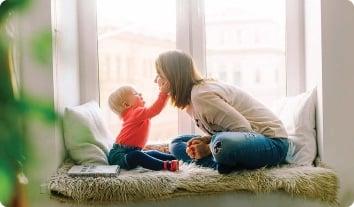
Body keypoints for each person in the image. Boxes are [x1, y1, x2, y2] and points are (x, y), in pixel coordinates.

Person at [154, 50, 295, 174]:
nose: (156, 80)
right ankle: (224, 165)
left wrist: (208, 148)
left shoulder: (201, 95)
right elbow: (225, 131)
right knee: (177, 143)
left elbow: (244, 129)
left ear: (172, 77)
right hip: (245, 140)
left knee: (221, 144)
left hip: (273, 143)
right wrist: (206, 140)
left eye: (159, 74)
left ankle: (222, 162)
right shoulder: (192, 99)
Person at [107, 82, 179, 172]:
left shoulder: (135, 114)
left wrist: (167, 94)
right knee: (138, 155)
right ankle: (165, 165)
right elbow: (155, 109)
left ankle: (174, 158)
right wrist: (164, 93)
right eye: (135, 93)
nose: (140, 94)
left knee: (152, 153)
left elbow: (155, 110)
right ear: (126, 105)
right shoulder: (135, 112)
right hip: (120, 155)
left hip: (129, 152)